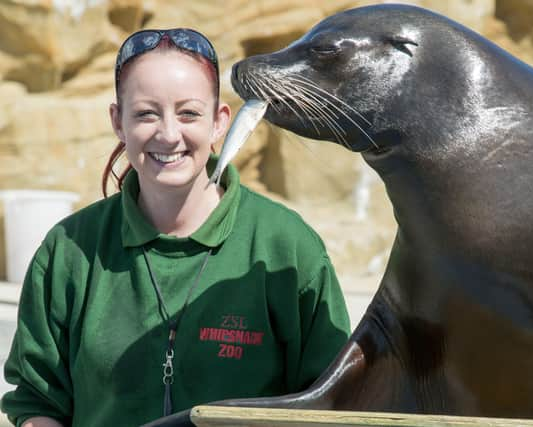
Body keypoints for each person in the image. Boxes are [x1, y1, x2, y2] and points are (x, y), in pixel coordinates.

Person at [1, 28, 350, 427]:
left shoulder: (287, 248)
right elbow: (37, 401)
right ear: (118, 121)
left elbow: (333, 402)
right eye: (146, 113)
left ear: (220, 122)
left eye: (189, 113)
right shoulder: (69, 249)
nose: (169, 134)